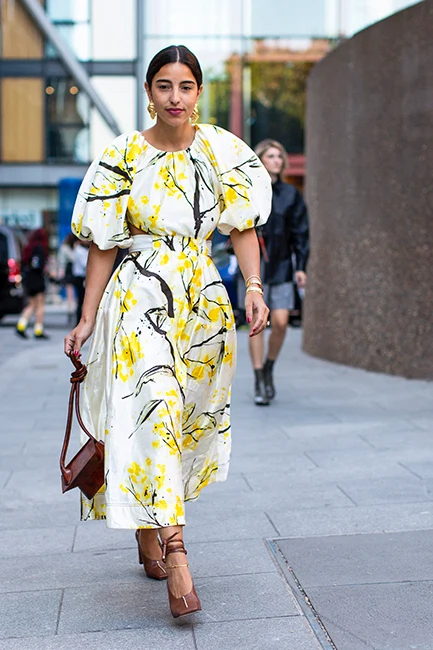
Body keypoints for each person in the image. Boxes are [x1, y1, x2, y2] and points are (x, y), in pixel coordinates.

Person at [64, 45, 271, 618]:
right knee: (153, 404)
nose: (174, 97)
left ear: (198, 92)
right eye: (163, 86)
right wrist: (87, 317)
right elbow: (103, 244)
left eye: (185, 86)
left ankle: (148, 526)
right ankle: (177, 553)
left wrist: (254, 287)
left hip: (202, 303)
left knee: (182, 422)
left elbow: (243, 228)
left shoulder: (224, 152)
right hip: (139, 295)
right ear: (149, 92)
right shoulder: (122, 155)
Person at [249, 139, 309, 406]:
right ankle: (258, 378)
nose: (276, 160)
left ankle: (269, 366)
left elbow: (301, 232)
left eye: (279, 156)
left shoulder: (290, 194)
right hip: (255, 265)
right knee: (256, 324)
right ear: (260, 159)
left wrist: (301, 267)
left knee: (281, 322)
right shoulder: (250, 190)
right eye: (271, 156)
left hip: (283, 264)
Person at [16, 228, 50, 339]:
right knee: (40, 306)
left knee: (31, 305)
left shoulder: (29, 248)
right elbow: (38, 265)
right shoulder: (40, 248)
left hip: (29, 279)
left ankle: (21, 325)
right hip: (37, 279)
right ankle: (38, 330)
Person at [58, 233, 77, 324]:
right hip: (71, 270)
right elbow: (70, 259)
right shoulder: (69, 248)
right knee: (70, 292)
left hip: (70, 270)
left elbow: (61, 261)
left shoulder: (64, 248)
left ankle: (71, 309)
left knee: (70, 292)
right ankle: (71, 309)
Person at [72, 240, 90, 325]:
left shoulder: (86, 249)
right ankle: (79, 321)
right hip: (80, 277)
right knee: (81, 300)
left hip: (84, 276)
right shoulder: (78, 250)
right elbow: (85, 264)